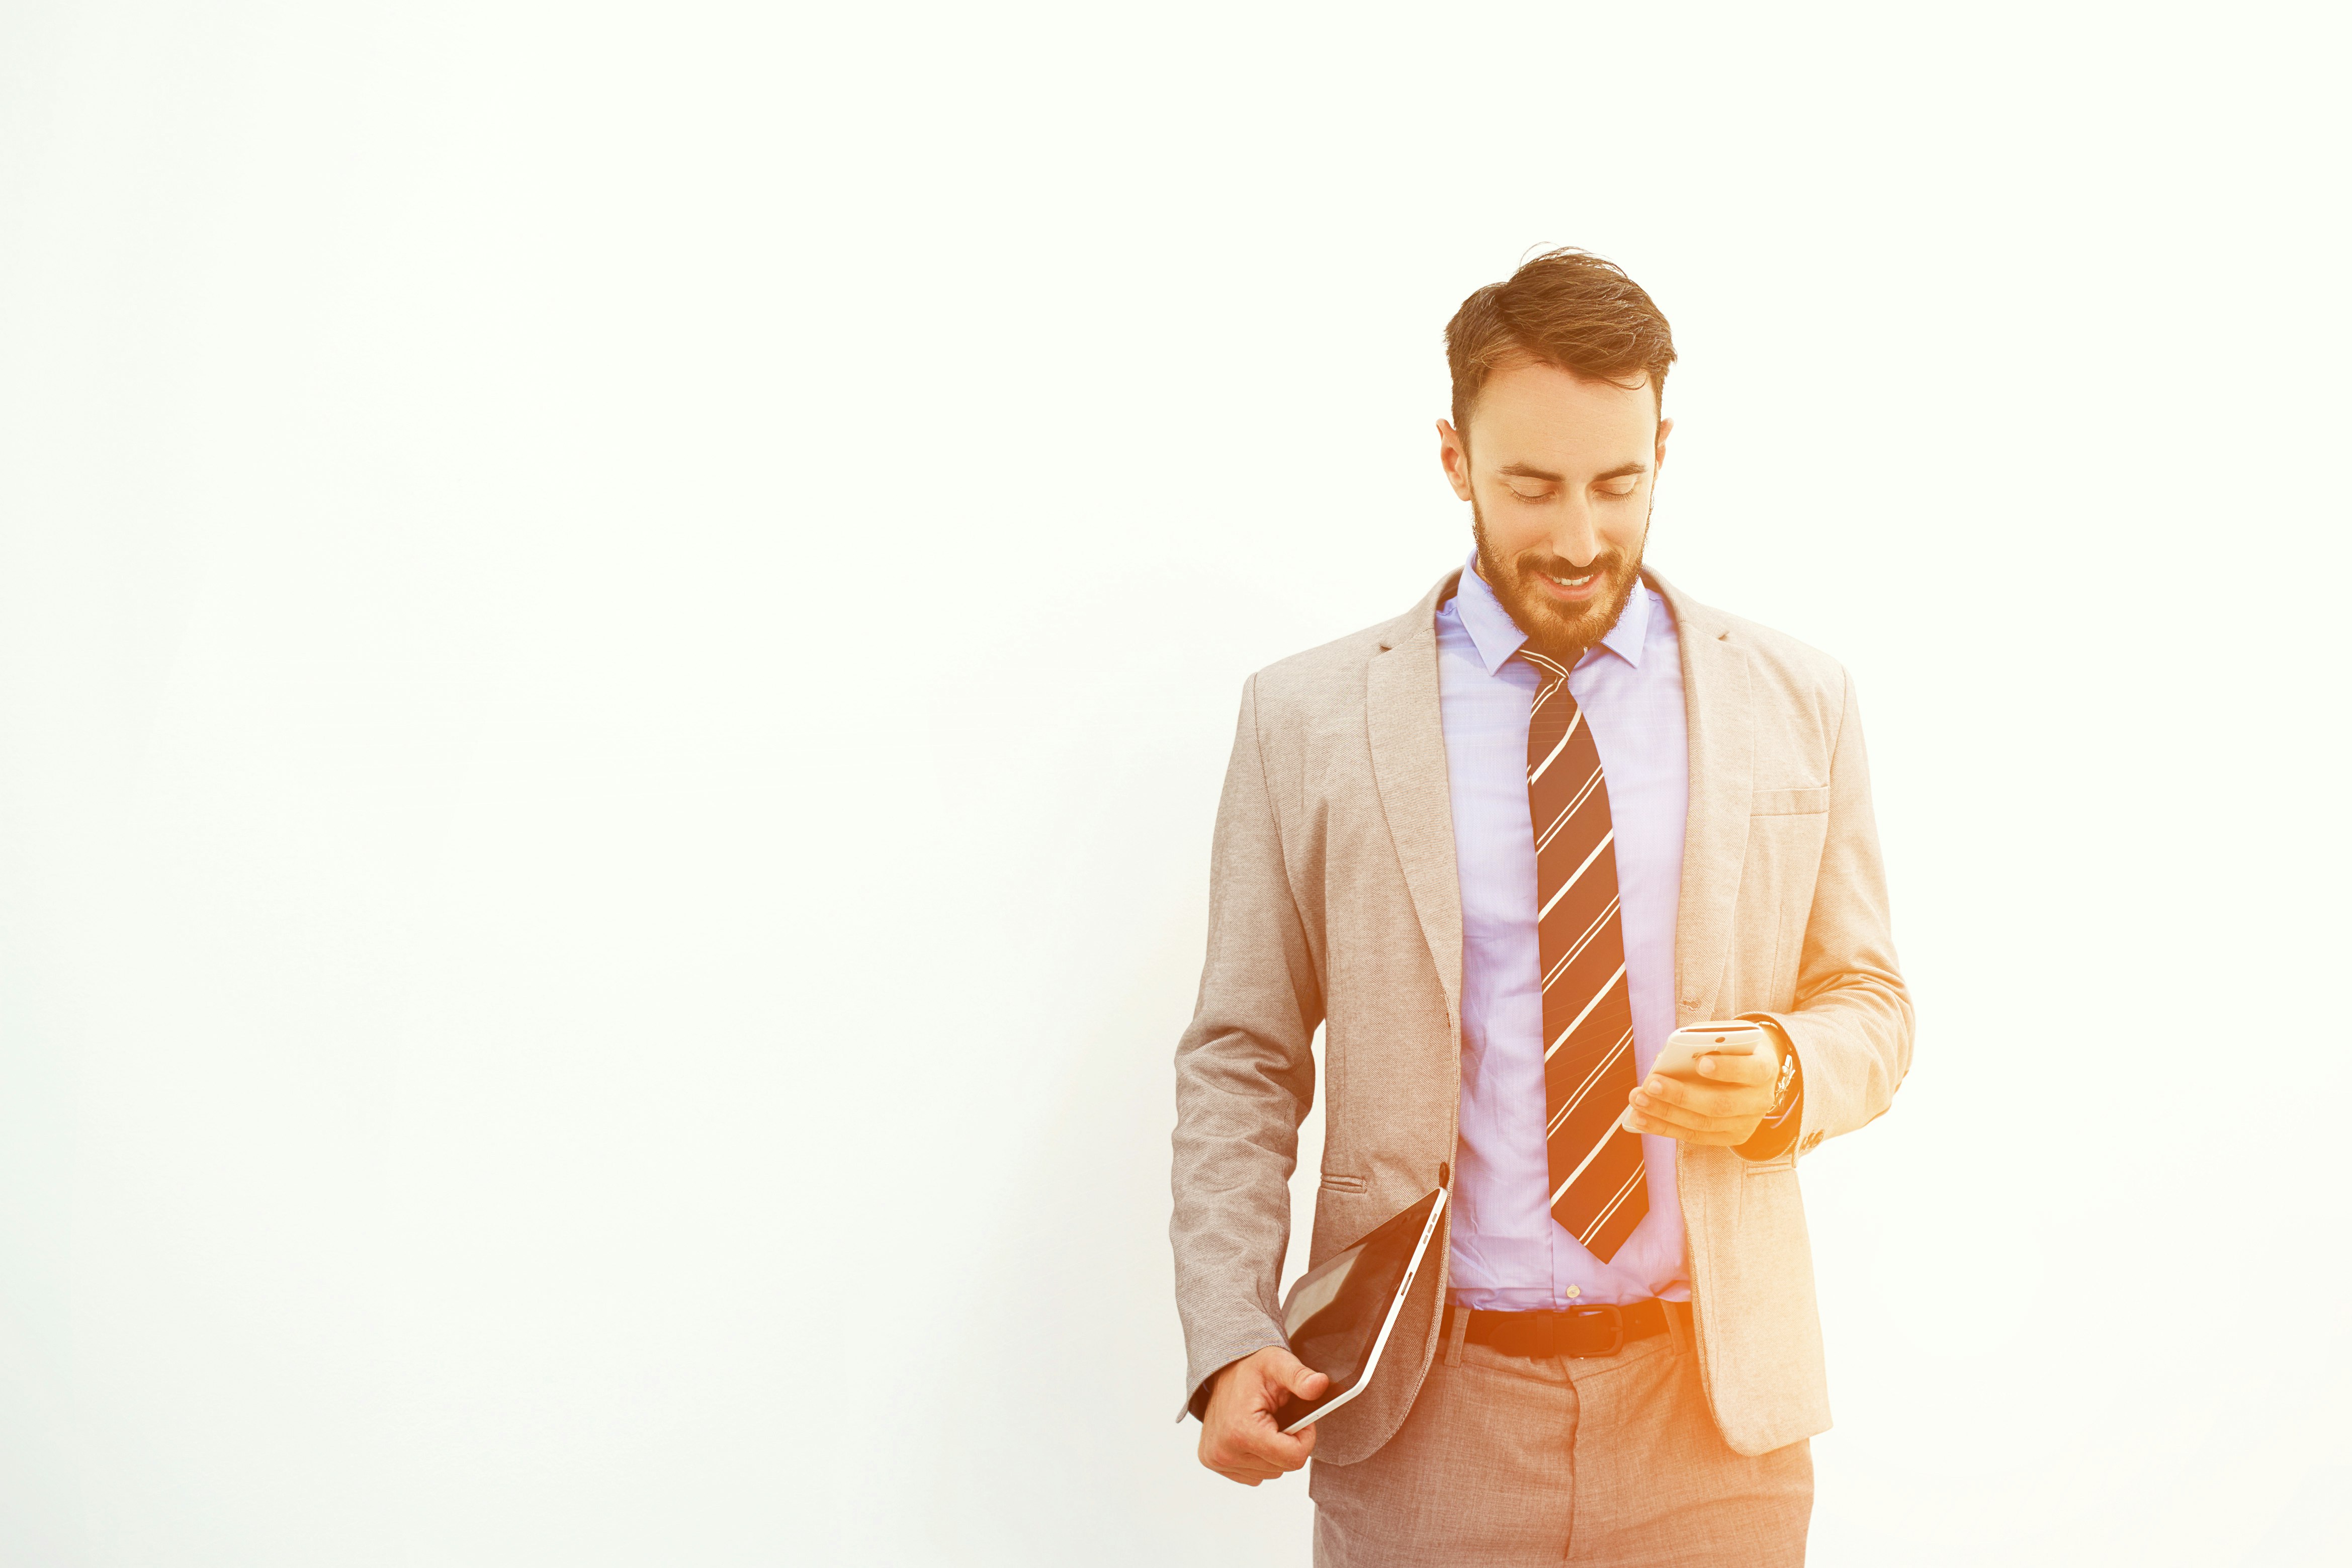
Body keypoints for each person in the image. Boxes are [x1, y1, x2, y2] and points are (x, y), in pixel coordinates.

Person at [1169, 248, 1913, 1565]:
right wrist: (1232, 1329)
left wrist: (1791, 1067)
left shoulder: (1801, 701)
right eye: (1531, 487)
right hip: (1421, 1414)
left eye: (1618, 485)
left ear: (1664, 448)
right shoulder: (1307, 721)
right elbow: (1245, 1051)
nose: (1577, 540)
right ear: (1454, 457)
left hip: (1713, 1429)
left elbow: (1871, 1003)